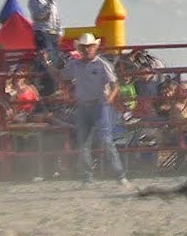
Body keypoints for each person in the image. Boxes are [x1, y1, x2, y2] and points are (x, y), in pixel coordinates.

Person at [44, 33, 129, 186]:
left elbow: (115, 86)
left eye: (89, 46)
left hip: (99, 104)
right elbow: (60, 76)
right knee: (85, 143)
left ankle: (118, 175)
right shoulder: (75, 65)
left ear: (95, 47)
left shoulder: (102, 64)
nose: (87, 49)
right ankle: (92, 176)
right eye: (84, 47)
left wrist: (108, 100)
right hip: (85, 105)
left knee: (105, 140)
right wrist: (47, 63)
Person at [28, 0, 62, 96]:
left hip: (52, 33)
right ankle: (47, 88)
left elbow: (56, 18)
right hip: (42, 33)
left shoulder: (52, 2)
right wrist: (48, 4)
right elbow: (39, 16)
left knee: (54, 60)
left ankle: (53, 87)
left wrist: (59, 32)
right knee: (45, 60)